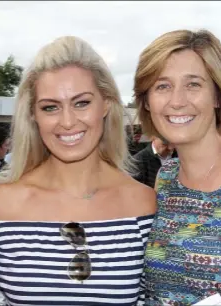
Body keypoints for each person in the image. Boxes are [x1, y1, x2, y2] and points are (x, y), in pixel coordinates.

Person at [0, 36, 156, 306]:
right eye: (50, 107)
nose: (67, 121)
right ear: (33, 115)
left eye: (82, 103)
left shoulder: (143, 204)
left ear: (106, 104)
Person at [133, 29, 221, 305]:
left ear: (217, 95)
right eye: (162, 86)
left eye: (193, 84)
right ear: (146, 102)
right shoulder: (166, 176)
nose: (177, 101)